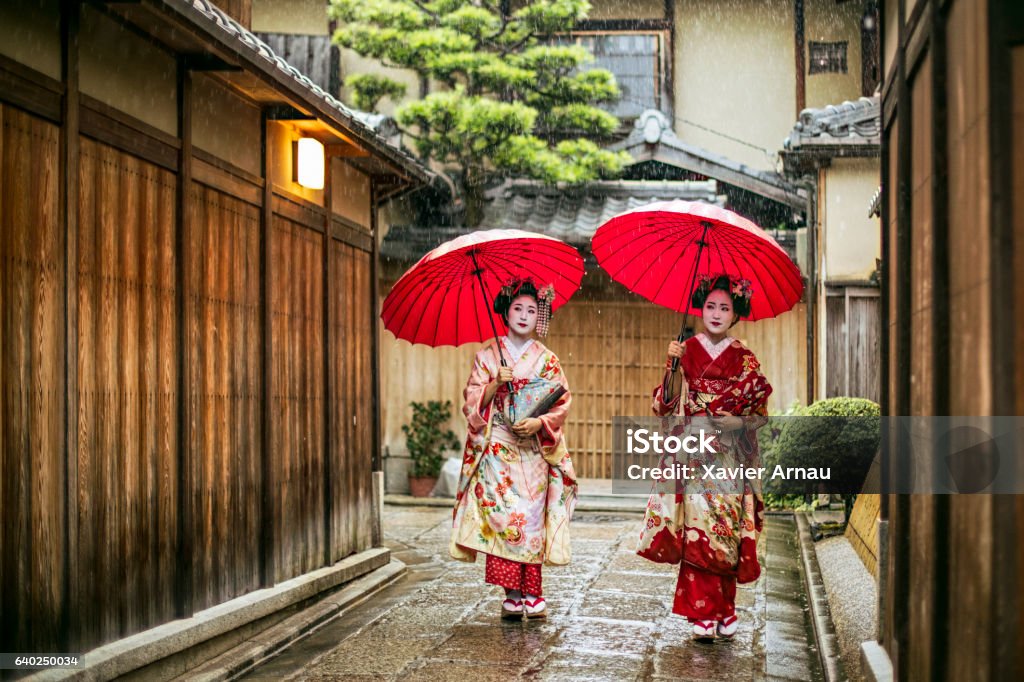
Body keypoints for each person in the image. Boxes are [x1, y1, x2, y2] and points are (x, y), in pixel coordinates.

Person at [637, 274, 772, 641]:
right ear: (700, 309)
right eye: (710, 306)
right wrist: (672, 366)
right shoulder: (685, 348)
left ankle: (725, 607)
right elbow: (664, 407)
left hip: (728, 455)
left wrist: (737, 421)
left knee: (724, 530)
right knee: (698, 530)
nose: (716, 313)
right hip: (694, 452)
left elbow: (760, 413)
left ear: (735, 314)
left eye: (724, 307)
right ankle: (701, 611)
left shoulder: (745, 358)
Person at [450, 277, 577, 620]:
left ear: (540, 316)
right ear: (505, 312)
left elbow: (561, 401)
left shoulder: (547, 359)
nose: (523, 315)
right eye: (517, 308)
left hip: (533, 450)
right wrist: (494, 384)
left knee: (531, 521)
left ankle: (533, 591)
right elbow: (471, 403)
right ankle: (512, 592)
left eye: (531, 310)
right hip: (499, 450)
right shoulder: (487, 356)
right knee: (504, 518)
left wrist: (539, 423)